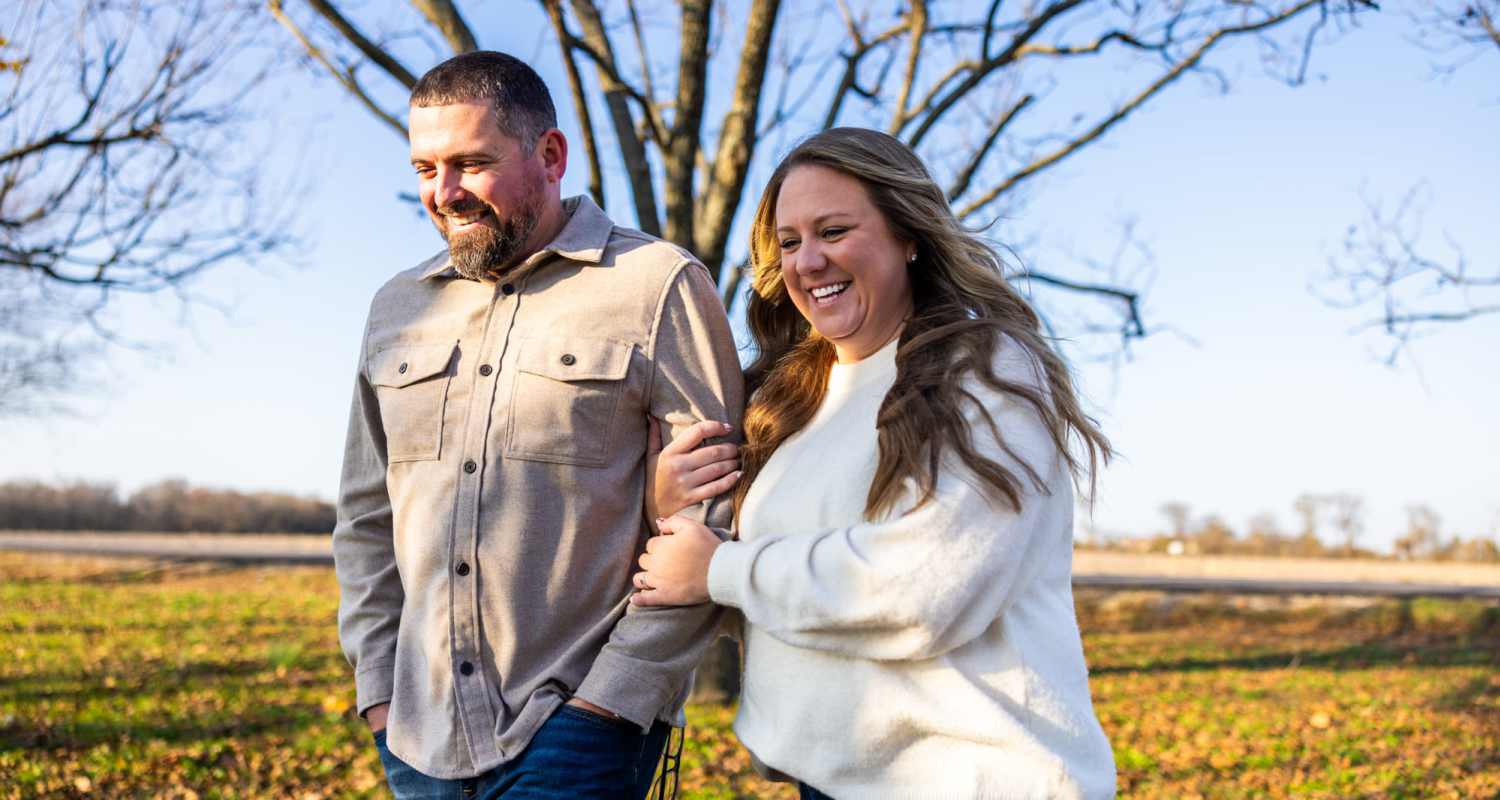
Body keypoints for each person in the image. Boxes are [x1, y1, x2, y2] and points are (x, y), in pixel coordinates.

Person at [633, 127, 1117, 799]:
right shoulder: (790, 399)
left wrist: (721, 568)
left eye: (833, 231)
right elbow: (780, 606)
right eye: (790, 242)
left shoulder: (985, 370)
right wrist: (669, 512)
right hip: (829, 782)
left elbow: (927, 588)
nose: (808, 262)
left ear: (908, 234)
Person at [331, 51, 744, 799]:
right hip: (418, 738)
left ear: (550, 155)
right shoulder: (396, 307)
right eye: (425, 169)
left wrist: (613, 701)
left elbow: (714, 510)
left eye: (471, 164)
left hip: (581, 732)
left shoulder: (657, 286)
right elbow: (365, 516)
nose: (444, 193)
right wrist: (380, 693)